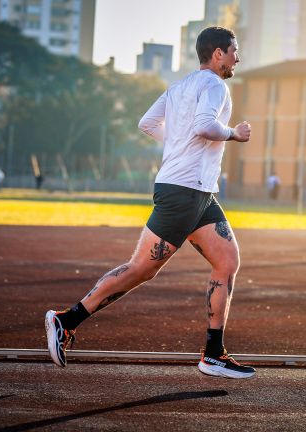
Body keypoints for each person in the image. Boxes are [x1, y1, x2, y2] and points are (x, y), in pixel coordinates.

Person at [45, 26, 255, 379]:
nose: (238, 56)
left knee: (227, 260)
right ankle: (66, 320)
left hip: (198, 193)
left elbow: (146, 123)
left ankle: (213, 354)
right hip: (184, 192)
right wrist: (234, 133)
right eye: (234, 50)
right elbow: (205, 125)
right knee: (140, 269)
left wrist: (175, 142)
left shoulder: (179, 87)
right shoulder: (215, 86)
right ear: (217, 53)